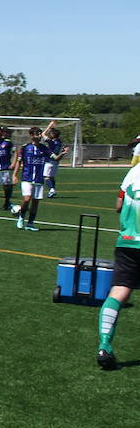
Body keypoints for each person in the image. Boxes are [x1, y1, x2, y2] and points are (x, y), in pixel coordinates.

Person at [97, 158, 140, 370]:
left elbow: (118, 205)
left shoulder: (133, 173)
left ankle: (105, 345)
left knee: (119, 291)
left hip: (127, 242)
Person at [13, 127, 48, 230]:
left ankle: (30, 223)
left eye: (40, 133)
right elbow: (19, 162)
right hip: (27, 177)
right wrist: (14, 175)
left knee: (35, 202)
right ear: (31, 135)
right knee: (27, 199)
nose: (39, 135)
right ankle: (21, 217)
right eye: (37, 133)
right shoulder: (25, 148)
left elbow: (55, 158)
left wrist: (62, 153)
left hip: (39, 179)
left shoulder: (44, 148)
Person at [43, 126, 70, 197]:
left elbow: (43, 134)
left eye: (50, 133)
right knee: (51, 177)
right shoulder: (59, 141)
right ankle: (52, 190)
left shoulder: (51, 142)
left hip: (49, 160)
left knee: (46, 177)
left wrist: (49, 126)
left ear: (53, 135)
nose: (49, 134)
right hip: (56, 162)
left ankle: (52, 190)